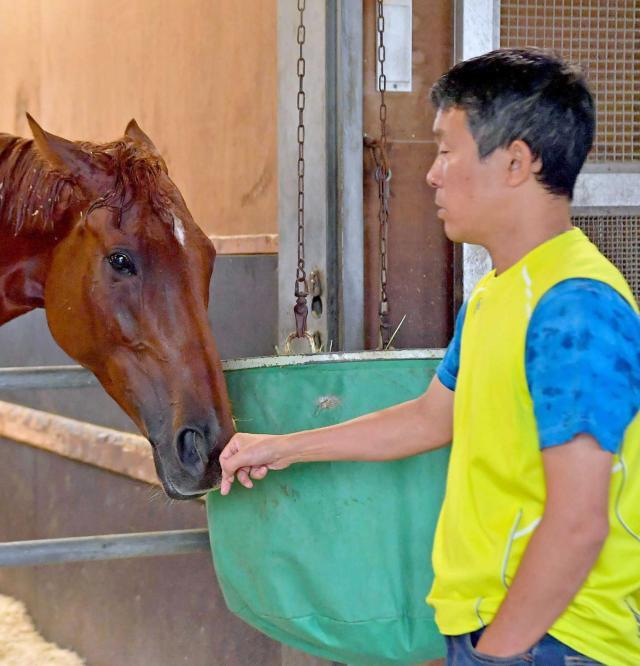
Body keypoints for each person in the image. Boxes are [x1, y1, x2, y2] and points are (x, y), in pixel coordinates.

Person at [218, 48, 640, 666]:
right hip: (504, 633)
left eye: (446, 149)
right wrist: (282, 447)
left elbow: (579, 523)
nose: (432, 174)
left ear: (517, 162)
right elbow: (428, 419)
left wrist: (498, 654)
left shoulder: (576, 308)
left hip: (557, 641)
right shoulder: (499, 294)